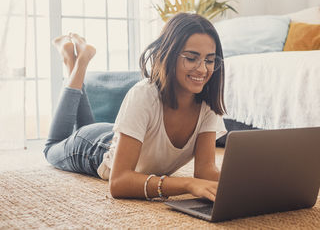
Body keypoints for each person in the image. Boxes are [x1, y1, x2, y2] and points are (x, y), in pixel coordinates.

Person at [44, 13, 227, 202]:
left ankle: (75, 62)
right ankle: (77, 63)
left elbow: (205, 170)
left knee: (84, 123)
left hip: (125, 138)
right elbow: (118, 182)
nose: (203, 69)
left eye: (210, 60)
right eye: (191, 58)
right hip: (95, 148)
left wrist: (249, 185)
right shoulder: (145, 94)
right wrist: (187, 184)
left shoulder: (208, 102)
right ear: (169, 55)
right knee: (51, 148)